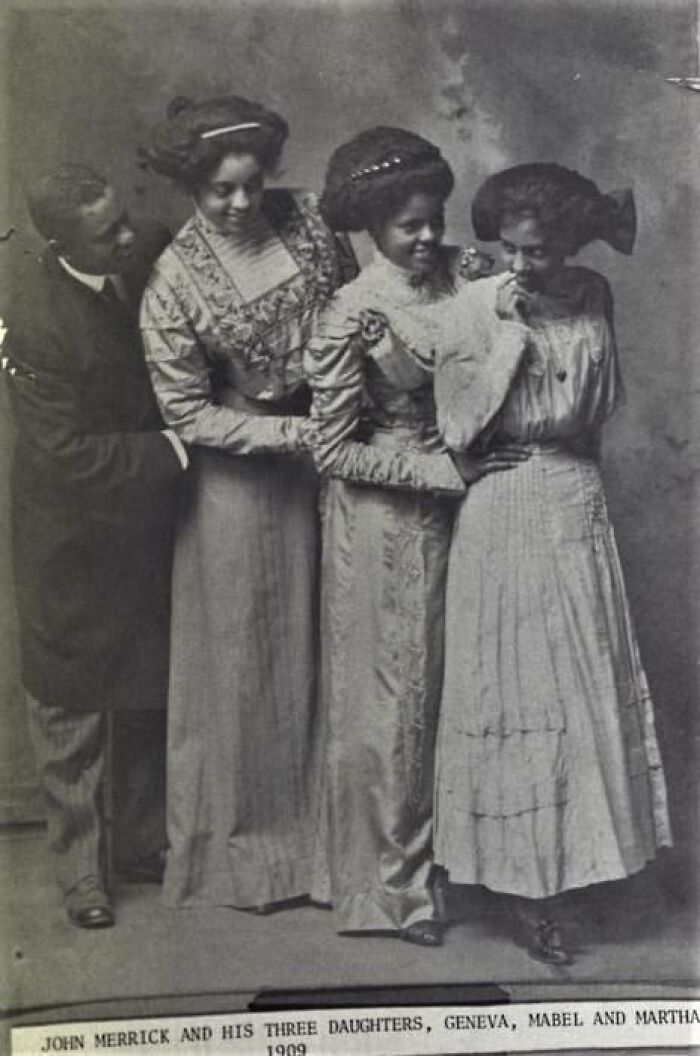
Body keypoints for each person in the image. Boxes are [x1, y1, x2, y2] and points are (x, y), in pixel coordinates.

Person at [431, 163, 673, 964]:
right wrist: (506, 328)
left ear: (570, 246)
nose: (520, 264)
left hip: (579, 503)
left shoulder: (596, 293)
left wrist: (584, 492)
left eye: (537, 252)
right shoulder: (473, 303)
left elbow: (599, 406)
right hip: (505, 507)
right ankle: (524, 890)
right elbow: (460, 430)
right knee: (518, 689)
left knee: (583, 686)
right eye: (508, 248)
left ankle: (584, 869)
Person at [305, 127, 530, 946]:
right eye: (411, 227)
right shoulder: (351, 313)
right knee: (399, 703)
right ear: (373, 228)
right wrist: (444, 473)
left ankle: (464, 863)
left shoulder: (466, 273)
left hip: (470, 506)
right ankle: (394, 889)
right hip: (387, 525)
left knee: (461, 689)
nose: (431, 236)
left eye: (435, 218)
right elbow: (330, 449)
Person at [139, 94, 357, 910]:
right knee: (251, 659)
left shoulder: (306, 221)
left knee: (330, 644)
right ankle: (255, 858)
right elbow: (186, 412)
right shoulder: (175, 279)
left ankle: (334, 849)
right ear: (192, 190)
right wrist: (290, 436)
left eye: (251, 186)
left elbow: (355, 309)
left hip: (334, 454)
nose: (239, 204)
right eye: (220, 192)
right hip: (240, 479)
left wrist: (340, 413)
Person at [4, 164, 187, 928]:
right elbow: (65, 455)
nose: (127, 235)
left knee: (145, 690)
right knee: (72, 704)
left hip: (140, 528)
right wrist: (173, 452)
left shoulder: (139, 252)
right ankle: (82, 874)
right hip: (70, 538)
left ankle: (141, 846)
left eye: (122, 218)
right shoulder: (32, 320)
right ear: (59, 242)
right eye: (105, 231)